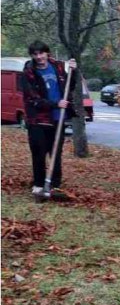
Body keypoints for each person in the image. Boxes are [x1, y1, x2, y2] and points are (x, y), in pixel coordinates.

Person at [22, 40, 77, 199]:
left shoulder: (58, 67)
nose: (39, 57)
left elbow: (70, 85)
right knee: (39, 152)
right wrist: (55, 103)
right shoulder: (29, 73)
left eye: (41, 53)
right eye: (35, 54)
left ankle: (54, 184)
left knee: (55, 152)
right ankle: (39, 184)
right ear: (32, 56)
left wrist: (74, 71)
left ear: (47, 53)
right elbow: (32, 99)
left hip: (57, 119)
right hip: (37, 120)